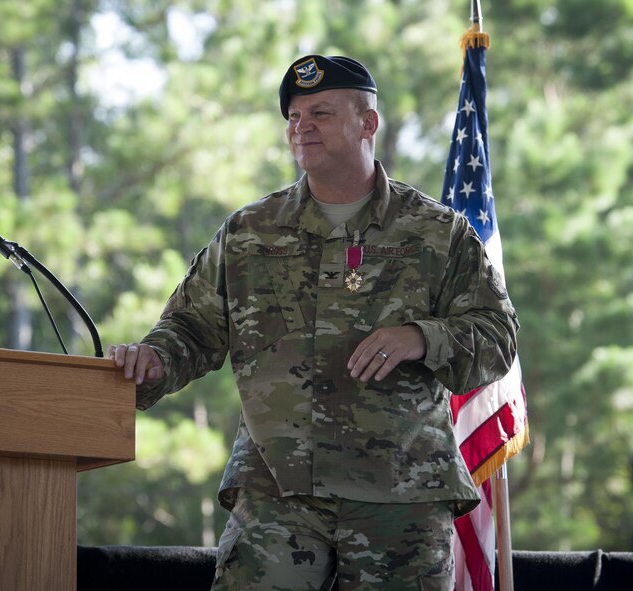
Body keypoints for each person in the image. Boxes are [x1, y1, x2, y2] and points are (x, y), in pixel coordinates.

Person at [109, 54, 519, 591]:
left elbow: (497, 336)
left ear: (367, 123)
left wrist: (422, 337)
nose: (302, 127)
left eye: (321, 113)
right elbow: (189, 330)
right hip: (277, 495)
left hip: (400, 499)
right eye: (295, 117)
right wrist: (154, 359)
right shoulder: (250, 231)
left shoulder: (438, 234)